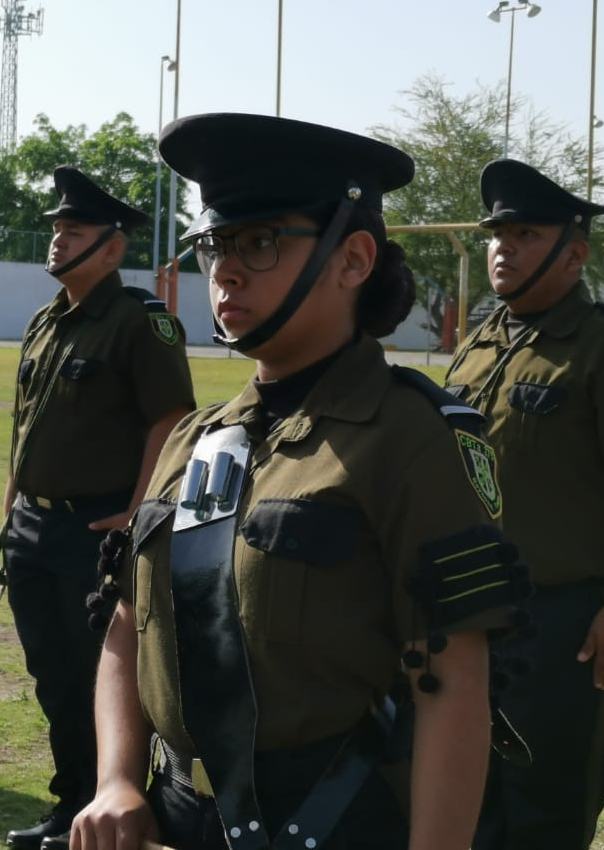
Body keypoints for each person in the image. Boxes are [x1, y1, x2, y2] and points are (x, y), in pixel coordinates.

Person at [69, 113, 529, 850]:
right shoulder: (195, 438)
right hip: (174, 817)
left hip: (330, 819)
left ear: (353, 259)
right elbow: (128, 623)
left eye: (260, 242)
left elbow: (452, 682)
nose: (225, 271)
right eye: (215, 245)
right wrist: (117, 780)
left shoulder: (413, 438)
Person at [444, 159, 604, 849]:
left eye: (525, 235)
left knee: (547, 812)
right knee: (466, 802)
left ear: (574, 255)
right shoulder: (479, 343)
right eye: (498, 235)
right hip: (469, 612)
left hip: (562, 621)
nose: (503, 249)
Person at [1, 166, 195, 849]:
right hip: (32, 525)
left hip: (96, 527)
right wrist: (11, 507)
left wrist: (138, 511)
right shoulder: (45, 321)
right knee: (52, 676)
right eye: (56, 228)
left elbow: (171, 417)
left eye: (74, 230)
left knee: (101, 677)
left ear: (112, 249)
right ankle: (71, 804)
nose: (58, 239)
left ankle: (115, 807)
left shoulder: (139, 321)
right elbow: (27, 424)